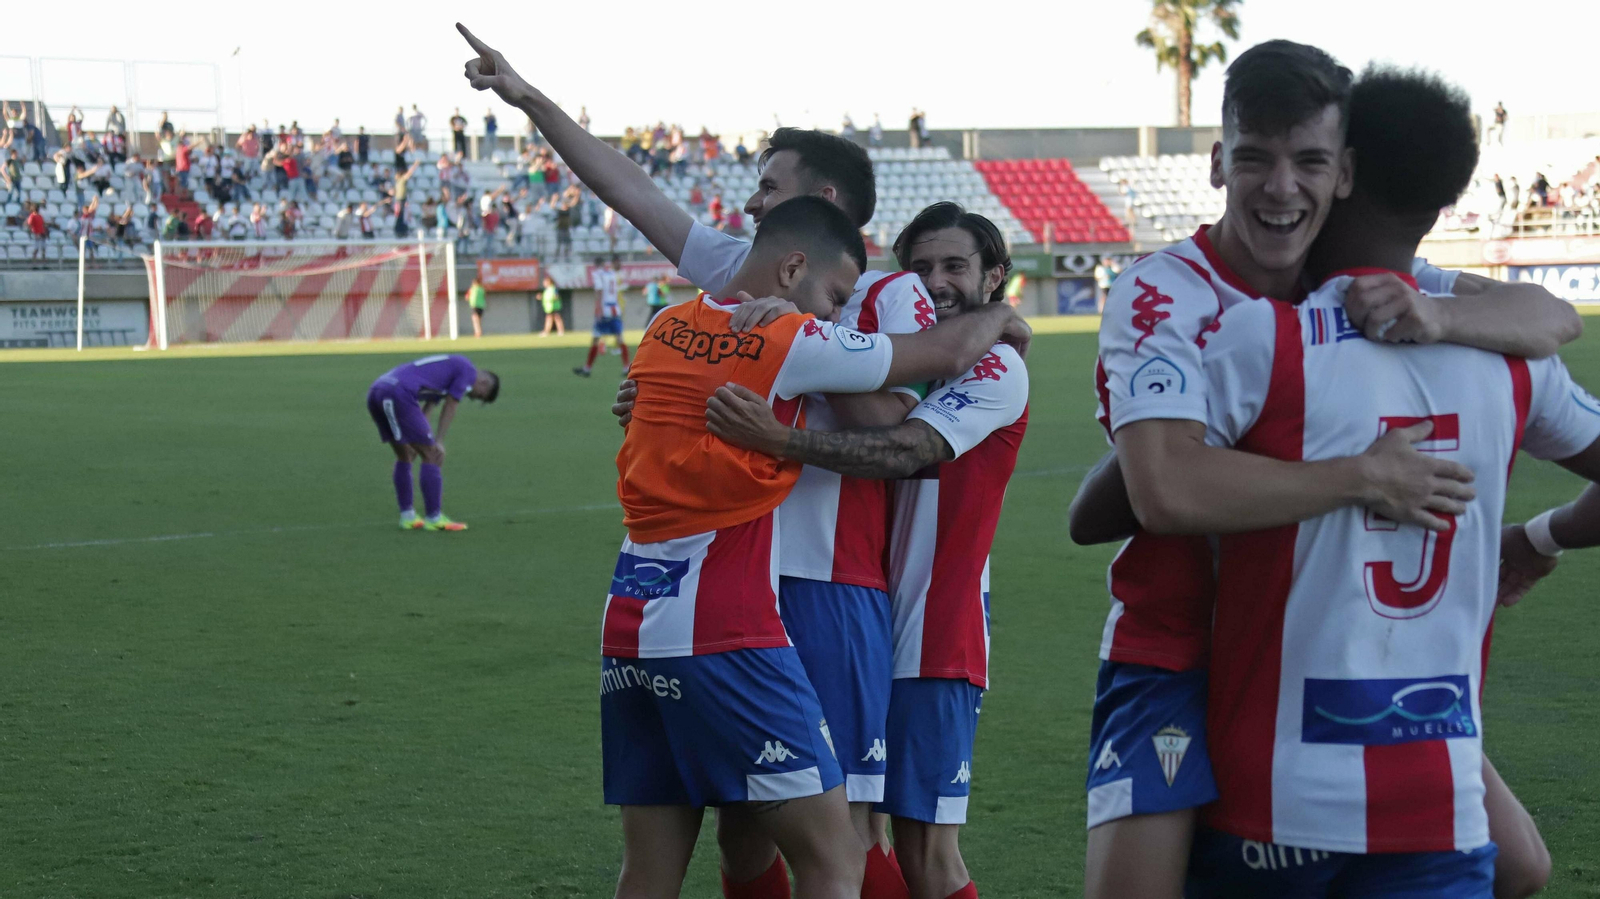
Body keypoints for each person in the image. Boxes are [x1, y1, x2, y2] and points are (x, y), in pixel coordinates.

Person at [456, 26, 956, 894]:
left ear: (820, 204)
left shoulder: (878, 292)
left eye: (768, 186)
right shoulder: (740, 276)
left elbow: (893, 424)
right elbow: (630, 189)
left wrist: (786, 367)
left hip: (821, 583)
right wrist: (530, 99)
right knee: (751, 839)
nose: (750, 202)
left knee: (843, 831)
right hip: (730, 587)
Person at [1073, 43, 1578, 899]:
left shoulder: (1363, 281)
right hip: (1178, 647)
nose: (1281, 188)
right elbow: (1160, 491)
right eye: (1255, 159)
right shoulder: (1166, 292)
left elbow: (1552, 313)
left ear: (1343, 175)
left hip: (1314, 644)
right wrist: (1362, 476)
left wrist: (1441, 316)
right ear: (1218, 164)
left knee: (1520, 864)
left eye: (1308, 161)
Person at [593, 194, 1029, 899]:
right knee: (831, 852)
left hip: (638, 617)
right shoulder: (793, 340)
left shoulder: (666, 327)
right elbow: (926, 367)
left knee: (666, 866)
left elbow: (905, 445)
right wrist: (1000, 316)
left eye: (954, 267)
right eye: (918, 271)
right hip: (732, 624)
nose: (933, 285)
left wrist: (778, 414)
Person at [366, 354, 500, 532]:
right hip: (399, 392)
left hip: (378, 390)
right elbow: (451, 405)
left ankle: (408, 517)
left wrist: (420, 438)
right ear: (484, 383)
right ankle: (434, 518)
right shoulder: (468, 371)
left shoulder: (445, 373)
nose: (472, 397)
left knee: (405, 455)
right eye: (480, 396)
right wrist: (438, 441)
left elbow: (428, 408)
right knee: (432, 455)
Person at [575, 257, 629, 376]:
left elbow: (599, 291)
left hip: (604, 310)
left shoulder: (597, 274)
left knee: (596, 338)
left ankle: (587, 368)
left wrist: (598, 309)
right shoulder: (612, 274)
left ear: (595, 264)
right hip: (614, 309)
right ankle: (626, 367)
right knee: (619, 338)